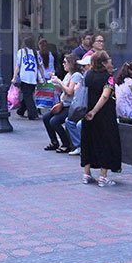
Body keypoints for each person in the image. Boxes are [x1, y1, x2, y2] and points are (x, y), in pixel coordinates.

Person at [80, 51, 122, 186]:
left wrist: (89, 111)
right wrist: (94, 111)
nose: (111, 61)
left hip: (86, 113)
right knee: (105, 142)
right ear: (103, 63)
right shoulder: (109, 77)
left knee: (88, 142)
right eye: (109, 59)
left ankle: (86, 174)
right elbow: (105, 95)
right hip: (104, 115)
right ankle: (103, 176)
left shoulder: (87, 75)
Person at [45, 54, 83, 153]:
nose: (63, 64)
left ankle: (66, 143)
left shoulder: (76, 75)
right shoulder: (68, 75)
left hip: (71, 106)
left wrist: (59, 82)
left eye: (65, 62)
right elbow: (62, 89)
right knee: (46, 117)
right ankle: (54, 142)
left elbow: (70, 91)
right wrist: (55, 83)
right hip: (63, 103)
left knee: (54, 121)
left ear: (71, 63)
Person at [12, 36, 43, 120]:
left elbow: (18, 66)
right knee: (28, 95)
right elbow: (40, 66)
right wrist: (42, 77)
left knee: (27, 96)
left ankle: (32, 114)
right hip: (33, 77)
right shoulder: (36, 53)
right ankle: (21, 111)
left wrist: (14, 77)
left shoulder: (21, 52)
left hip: (24, 77)